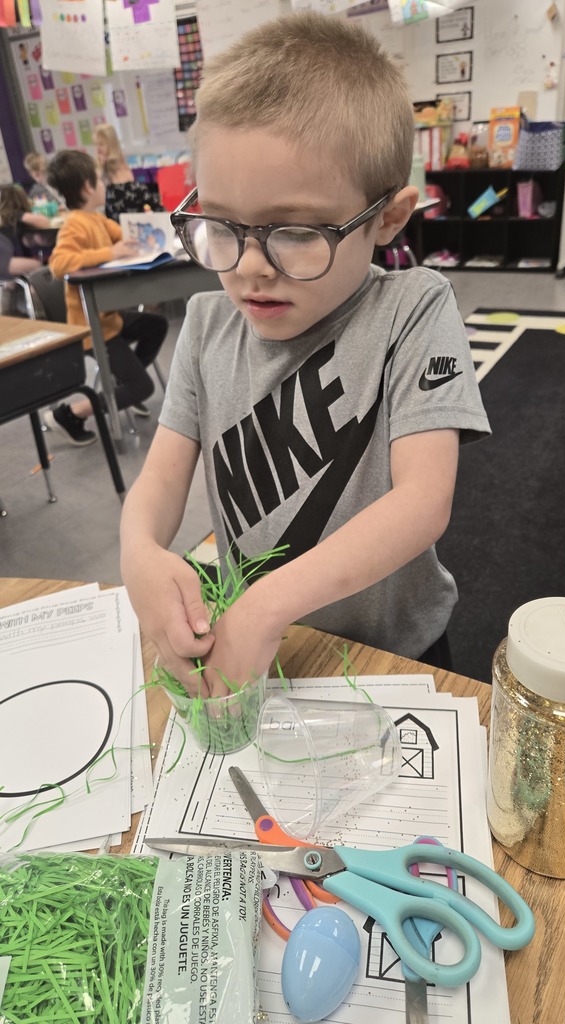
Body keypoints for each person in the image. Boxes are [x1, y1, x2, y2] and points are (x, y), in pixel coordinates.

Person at [119, 12, 490, 699]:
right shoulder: (206, 323)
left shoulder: (411, 310)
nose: (250, 269)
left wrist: (267, 600)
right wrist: (139, 551)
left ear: (386, 218)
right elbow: (163, 477)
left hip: (394, 653)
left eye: (293, 232)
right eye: (222, 225)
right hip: (267, 651)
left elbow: (421, 502)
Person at [46, 149, 168, 446]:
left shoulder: (97, 219)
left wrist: (145, 232)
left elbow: (124, 235)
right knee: (143, 387)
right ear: (88, 187)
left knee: (157, 324)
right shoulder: (75, 222)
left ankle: (121, 382)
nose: (104, 185)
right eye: (99, 180)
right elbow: (58, 264)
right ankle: (72, 413)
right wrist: (109, 253)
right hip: (93, 328)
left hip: (110, 317)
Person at [93, 123, 164, 222]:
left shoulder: (122, 164)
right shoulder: (100, 169)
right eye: (96, 144)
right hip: (116, 223)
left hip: (134, 218)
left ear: (111, 144)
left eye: (101, 144)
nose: (98, 149)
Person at [0, 184, 51, 314]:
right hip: (4, 263)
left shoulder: (4, 218)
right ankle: (39, 312)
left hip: (4, 264)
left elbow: (23, 240)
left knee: (10, 281)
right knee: (37, 268)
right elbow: (44, 222)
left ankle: (7, 312)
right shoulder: (15, 214)